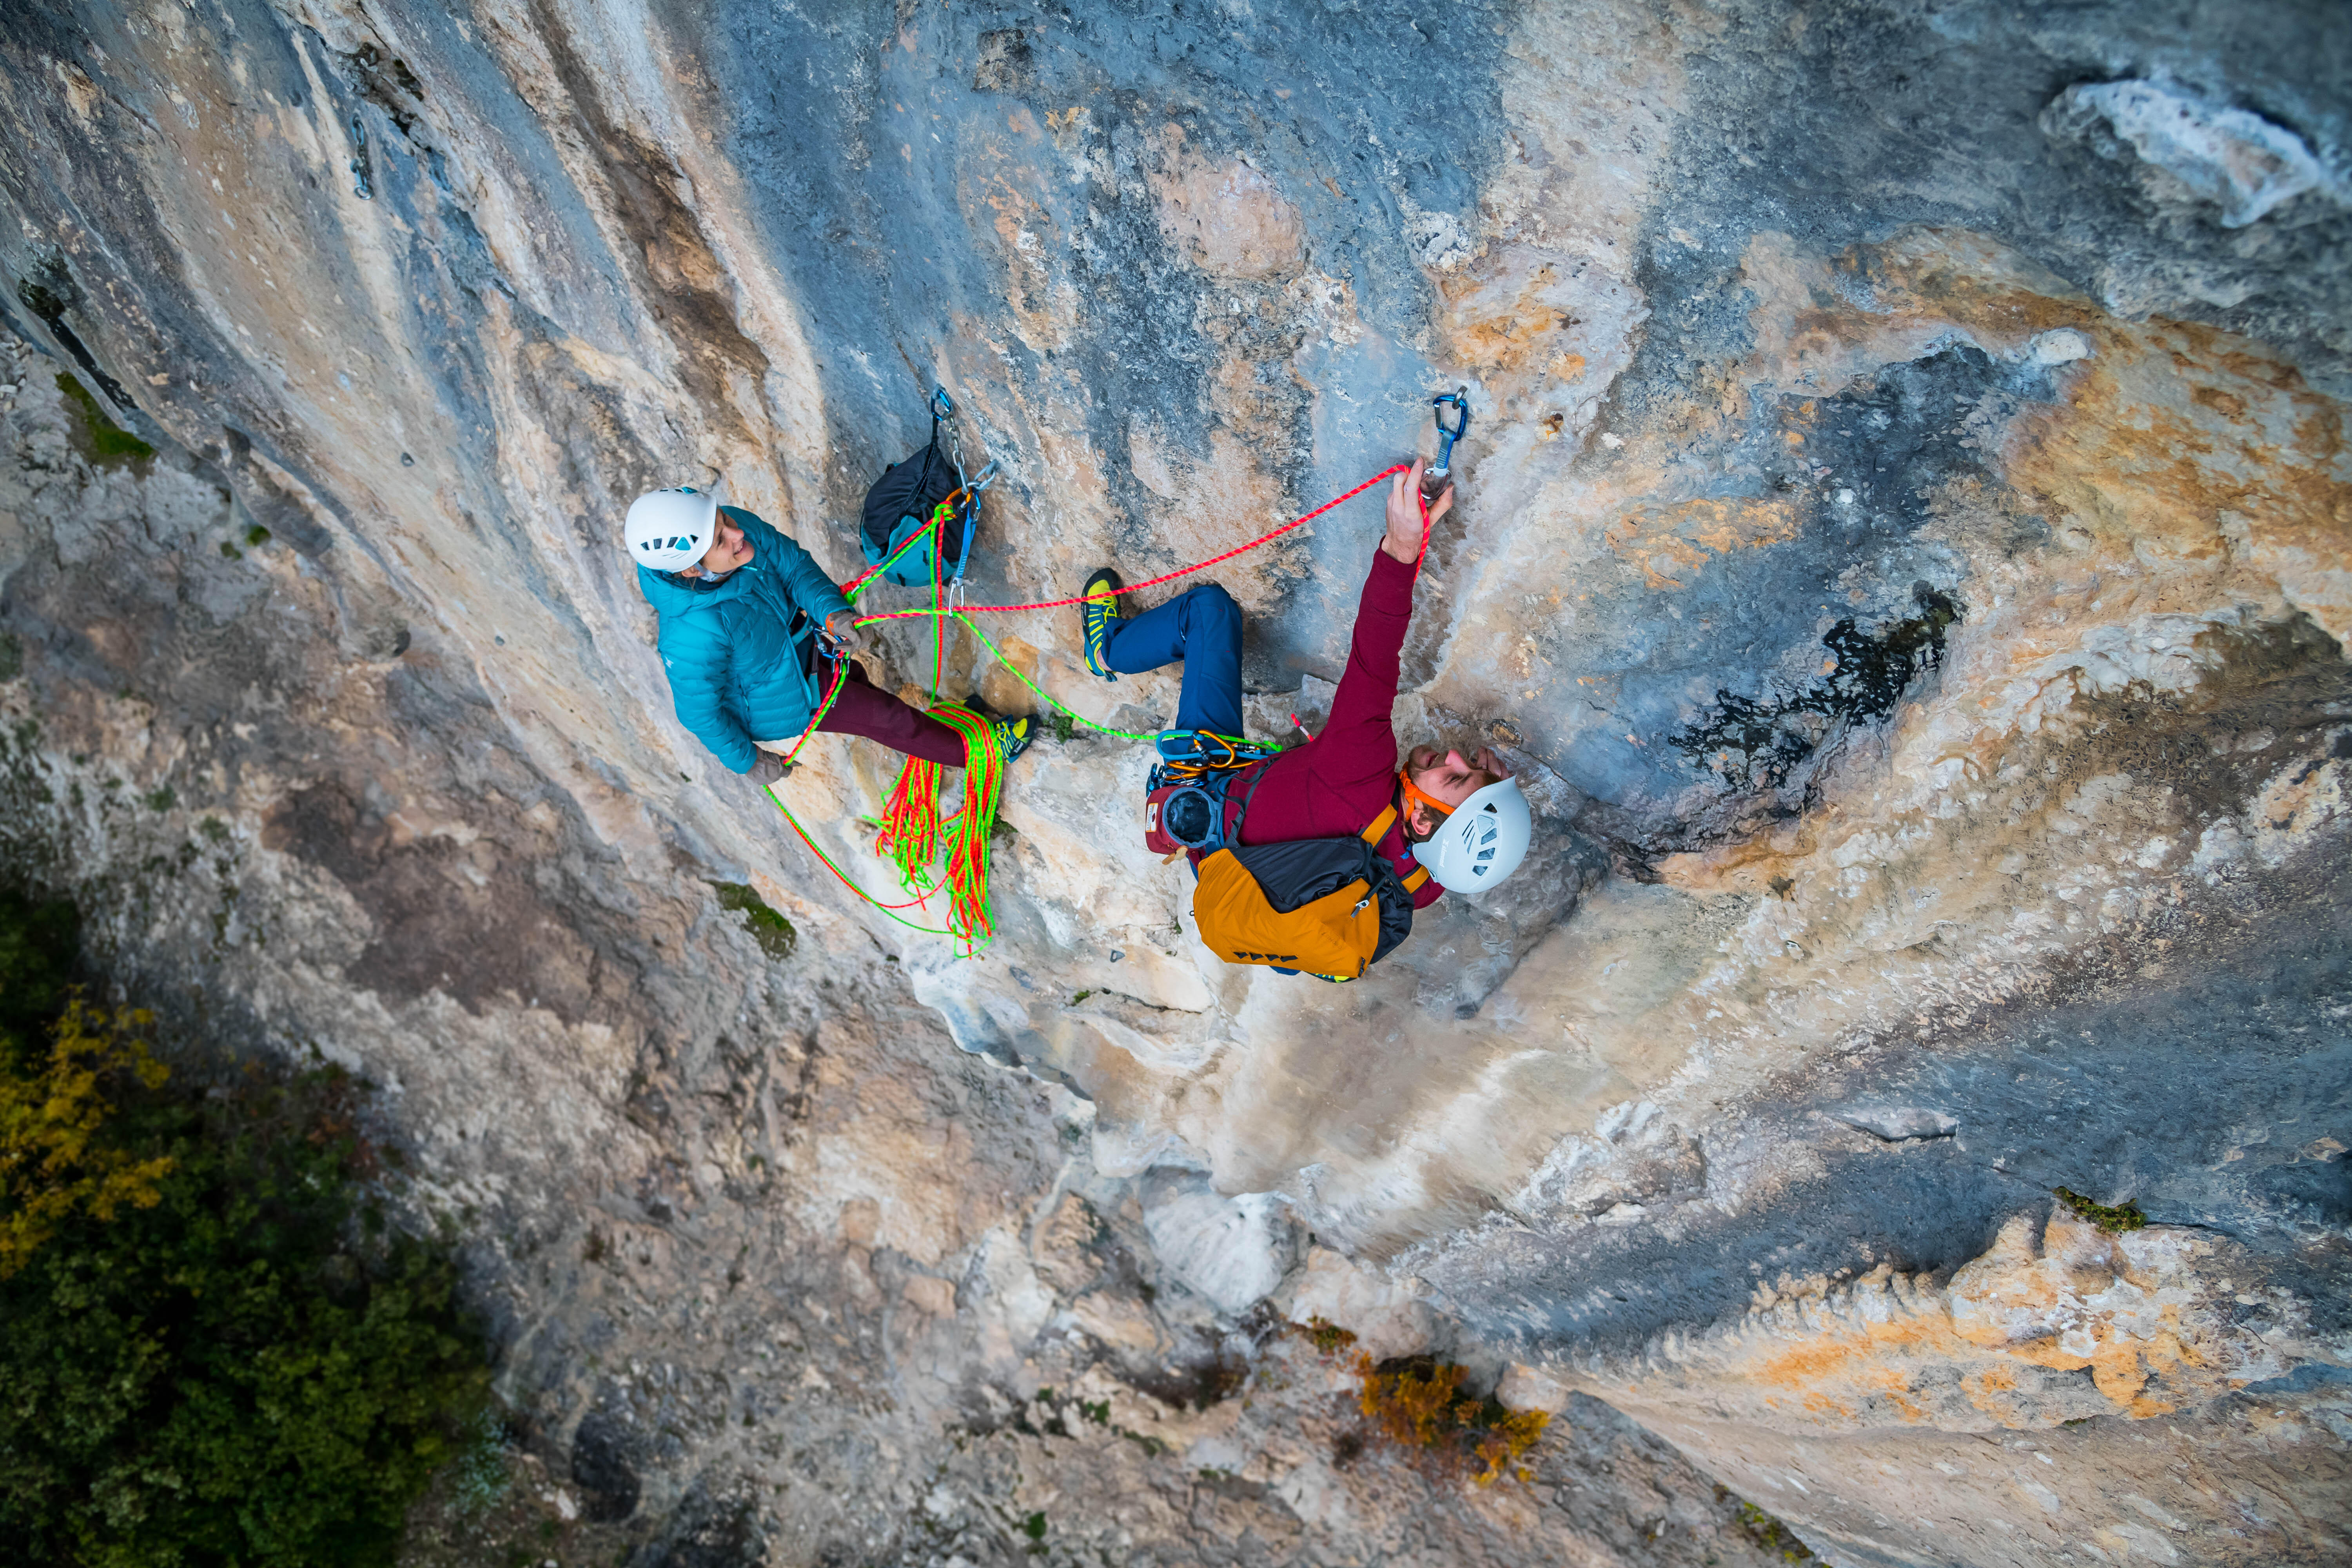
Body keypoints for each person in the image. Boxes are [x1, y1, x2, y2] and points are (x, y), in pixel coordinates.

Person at [1078, 457, 1531, 929]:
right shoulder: (1420, 886)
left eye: (1457, 779)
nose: (1458, 757)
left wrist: (1402, 545)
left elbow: (1375, 657)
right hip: (1233, 867)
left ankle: (1106, 652)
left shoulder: (1359, 772)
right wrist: (1493, 797)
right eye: (1475, 766)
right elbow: (1450, 851)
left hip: (1206, 791)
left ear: (1419, 821)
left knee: (1210, 612)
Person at [626, 487, 1035, 784]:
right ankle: (983, 754)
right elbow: (699, 712)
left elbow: (792, 566)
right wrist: (748, 762)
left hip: (804, 643)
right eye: (720, 539)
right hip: (782, 695)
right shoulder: (690, 636)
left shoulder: (734, 530)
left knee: (864, 689)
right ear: (691, 571)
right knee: (885, 718)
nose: (736, 534)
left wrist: (832, 612)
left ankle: (957, 732)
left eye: (725, 522)